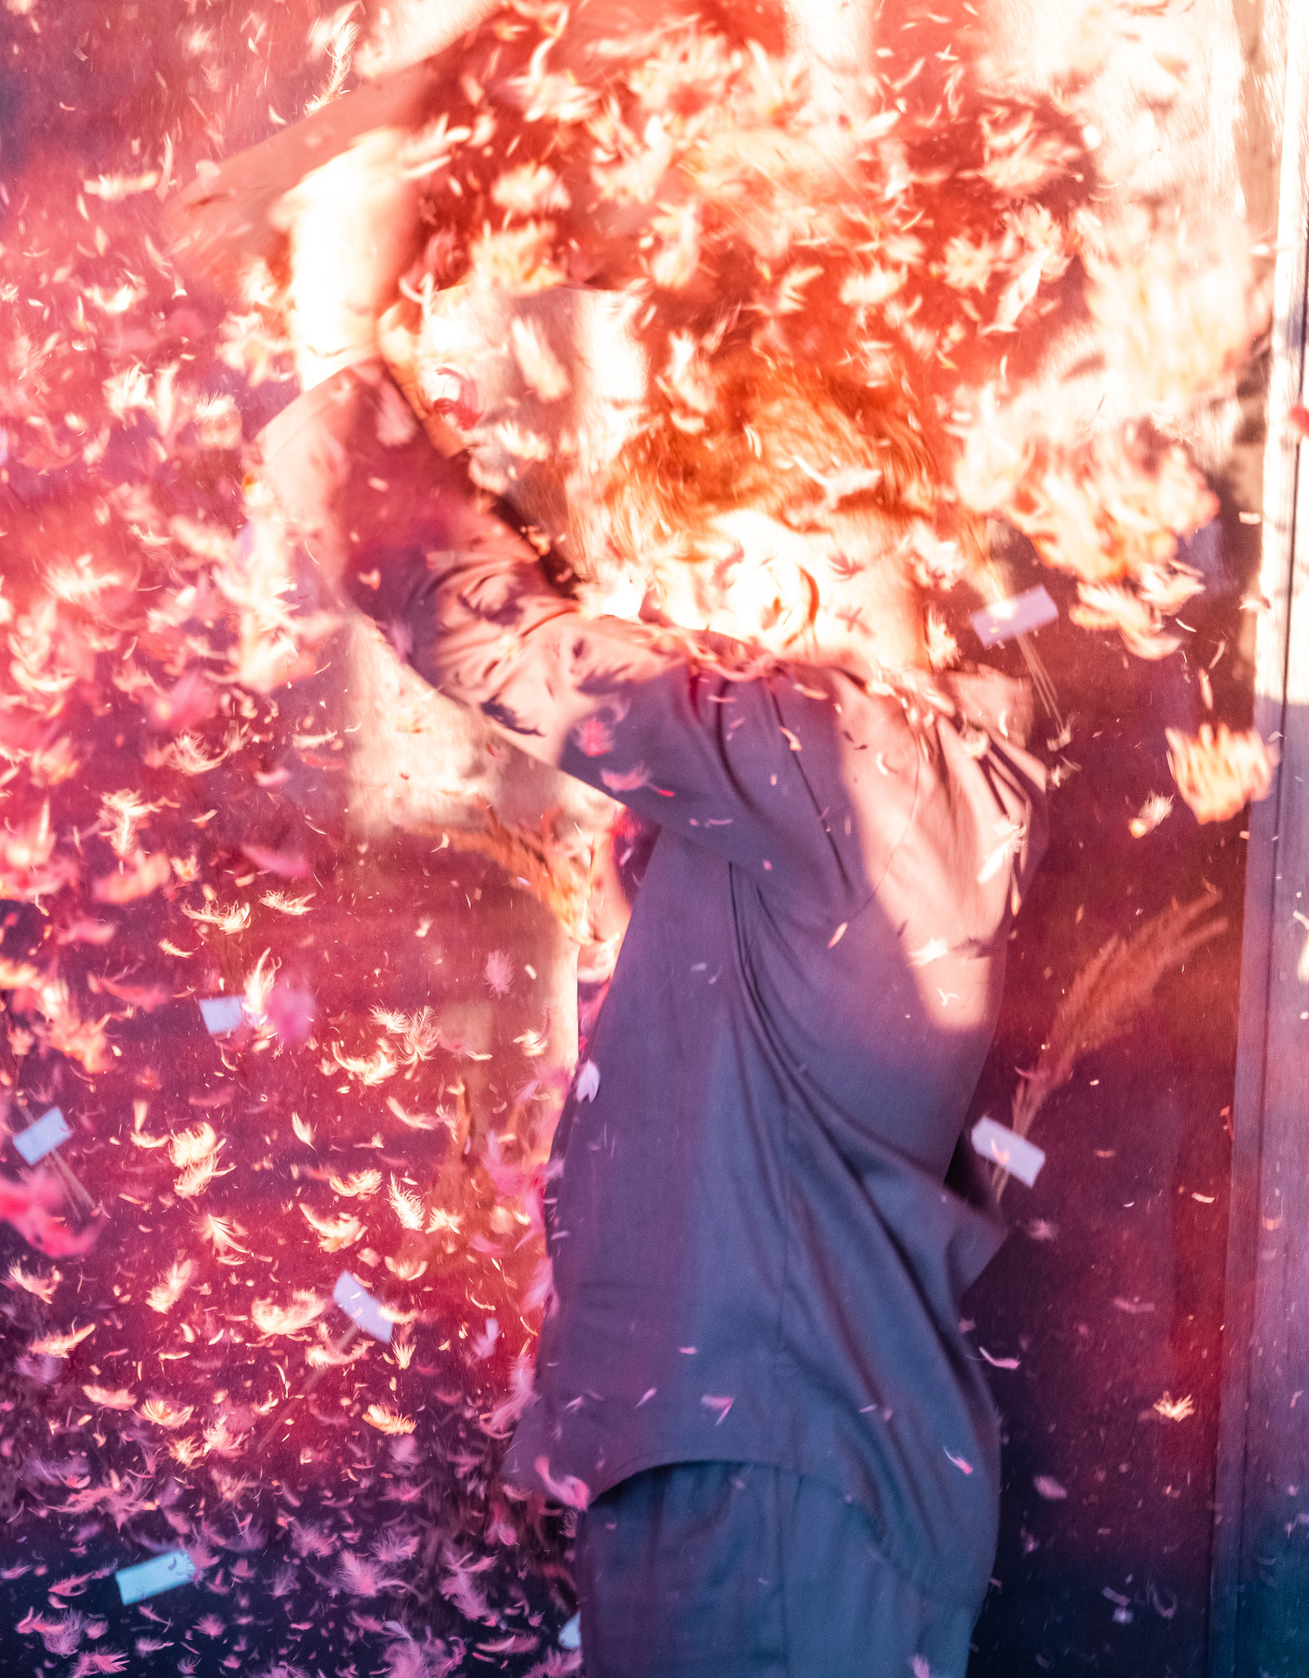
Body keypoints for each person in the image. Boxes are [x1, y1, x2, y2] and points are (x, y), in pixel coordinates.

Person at [256, 142, 1043, 1676]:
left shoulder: (841, 751)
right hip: (767, 1475)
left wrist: (339, 334)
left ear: (798, 581)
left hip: (777, 1491)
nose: (660, 627)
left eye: (689, 586)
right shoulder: (862, 776)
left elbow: (512, 643)